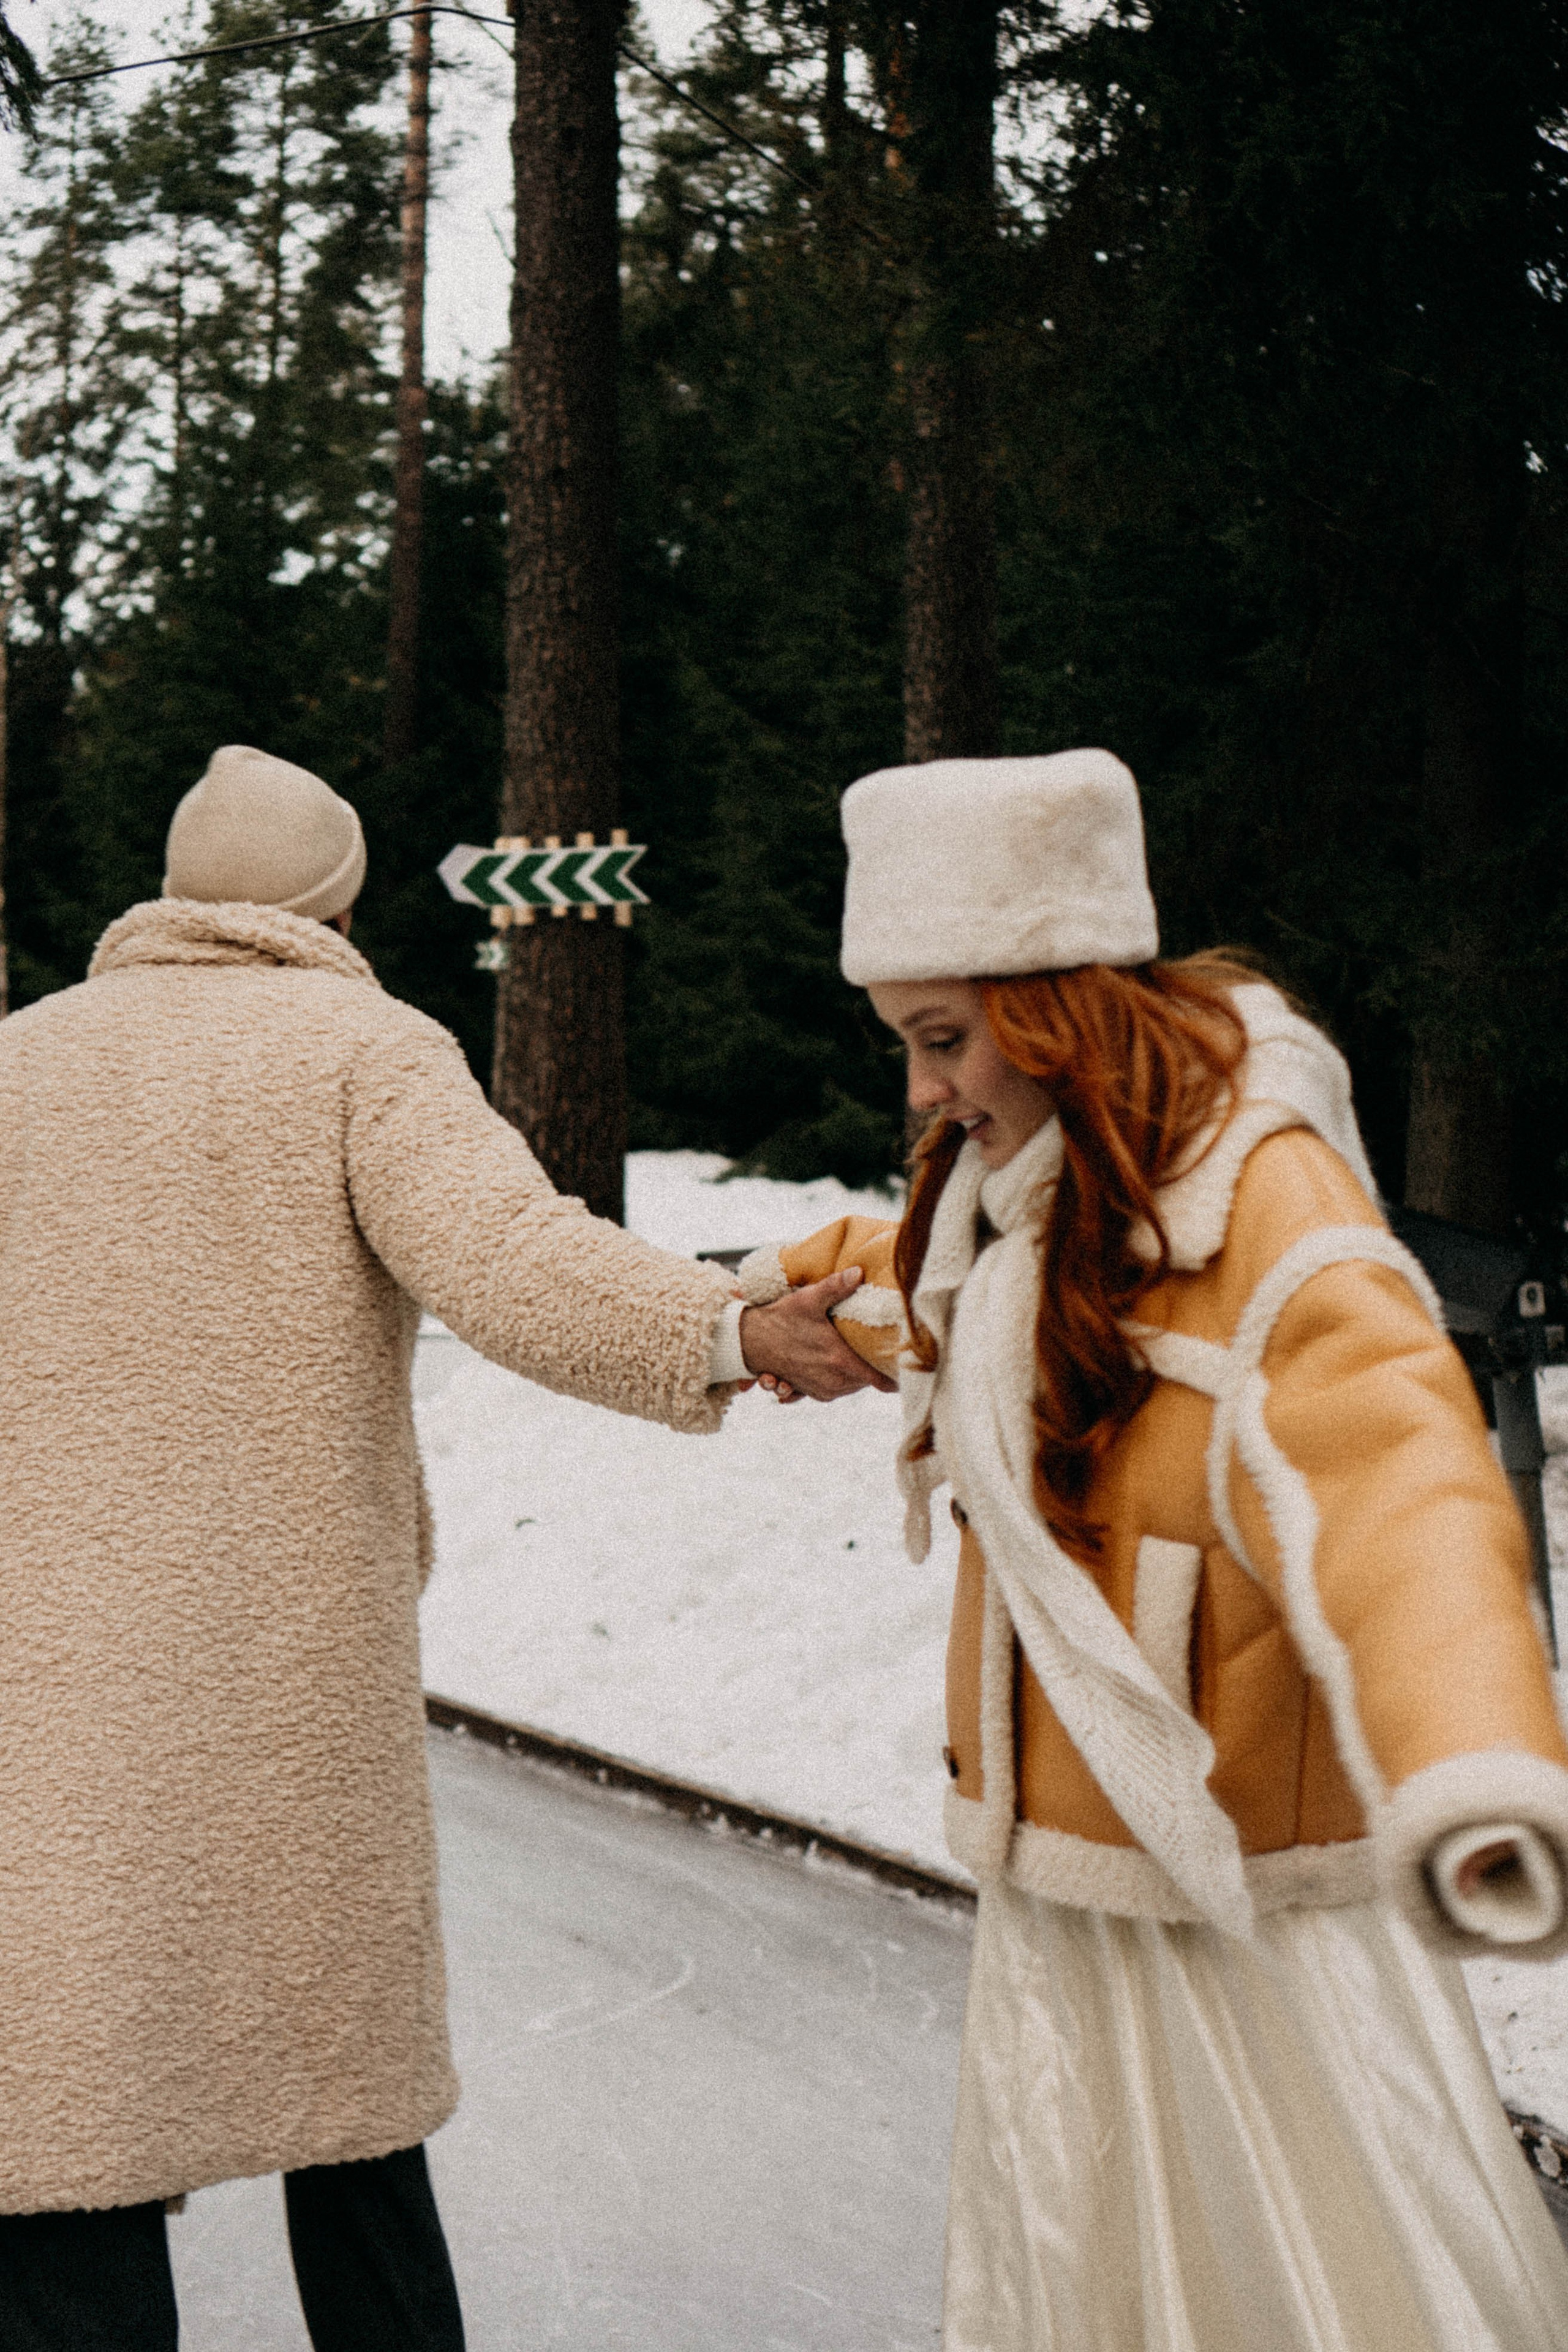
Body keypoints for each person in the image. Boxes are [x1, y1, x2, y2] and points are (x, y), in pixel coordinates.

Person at [0, 745, 888, 2351]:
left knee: (68, 2106)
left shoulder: (20, 1059)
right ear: (332, 906)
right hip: (283, 1680)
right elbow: (516, 1259)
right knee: (346, 2090)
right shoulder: (363, 1049)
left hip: (38, 1685)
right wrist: (732, 1329)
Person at [741, 747, 1568, 2351]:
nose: (921, 1091)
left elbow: (1401, 1475)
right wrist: (778, 1301)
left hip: (1245, 1919)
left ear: (1057, 1008)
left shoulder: (1263, 1196)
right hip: (1067, 1901)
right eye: (905, 1043)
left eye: (941, 1039)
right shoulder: (1011, 1190)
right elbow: (957, 1298)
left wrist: (1474, 1764)